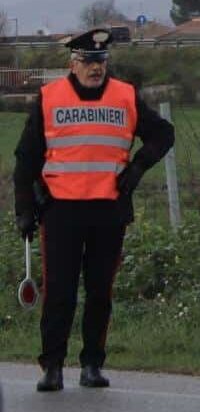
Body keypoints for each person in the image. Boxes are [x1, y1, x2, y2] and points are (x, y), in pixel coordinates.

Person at [13, 29, 175, 392]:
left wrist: (136, 168)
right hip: (61, 212)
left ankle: (92, 365)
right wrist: (24, 209)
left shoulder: (126, 96)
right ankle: (52, 366)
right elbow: (26, 159)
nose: (95, 68)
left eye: (101, 61)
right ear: (72, 63)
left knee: (101, 291)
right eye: (88, 61)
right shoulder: (49, 98)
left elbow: (163, 133)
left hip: (108, 210)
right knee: (60, 292)